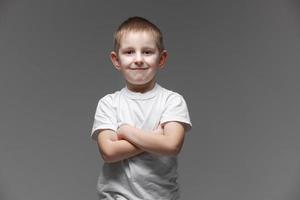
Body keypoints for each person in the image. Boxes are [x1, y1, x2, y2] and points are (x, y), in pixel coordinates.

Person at [91, 16, 192, 200]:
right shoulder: (109, 103)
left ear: (161, 59)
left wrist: (126, 131)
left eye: (147, 52)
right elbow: (109, 152)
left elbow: (171, 145)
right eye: (129, 52)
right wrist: (155, 137)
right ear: (116, 60)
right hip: (116, 196)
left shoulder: (172, 101)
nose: (138, 59)